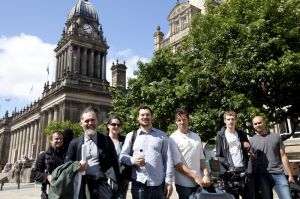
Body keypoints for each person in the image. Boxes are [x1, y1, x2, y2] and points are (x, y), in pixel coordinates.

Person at [65, 105, 121, 199]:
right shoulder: (74, 143)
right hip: (81, 184)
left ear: (97, 121)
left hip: (102, 185)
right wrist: (77, 165)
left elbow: (115, 163)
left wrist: (115, 184)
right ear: (81, 123)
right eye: (87, 121)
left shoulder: (106, 140)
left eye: (93, 120)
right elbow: (67, 164)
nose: (90, 123)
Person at [120, 105, 173, 199]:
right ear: (138, 118)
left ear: (152, 117)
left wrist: (168, 182)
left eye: (147, 115)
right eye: (142, 115)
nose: (145, 117)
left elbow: (168, 159)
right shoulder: (131, 135)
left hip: (158, 185)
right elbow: (122, 157)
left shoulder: (162, 135)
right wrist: (133, 160)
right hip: (139, 184)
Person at [169, 108, 211, 199]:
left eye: (184, 119)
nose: (182, 122)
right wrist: (195, 177)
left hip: (199, 182)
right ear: (176, 122)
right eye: (179, 120)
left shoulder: (196, 137)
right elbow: (177, 164)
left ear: (189, 120)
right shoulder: (172, 138)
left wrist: (206, 175)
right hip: (184, 184)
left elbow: (201, 159)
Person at [250, 116, 295, 199]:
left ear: (264, 122)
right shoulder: (252, 141)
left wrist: (290, 174)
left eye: (259, 123)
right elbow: (252, 161)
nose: (258, 125)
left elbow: (283, 156)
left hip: (278, 173)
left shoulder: (276, 137)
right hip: (262, 175)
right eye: (255, 124)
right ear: (253, 125)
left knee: (287, 197)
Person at [215, 111, 255, 199]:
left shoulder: (241, 134)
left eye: (233, 119)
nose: (230, 121)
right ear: (225, 121)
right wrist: (229, 167)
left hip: (243, 172)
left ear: (236, 120)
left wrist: (247, 146)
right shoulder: (220, 135)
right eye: (228, 119)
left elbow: (248, 150)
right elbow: (219, 155)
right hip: (230, 174)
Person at [34, 131, 65, 199]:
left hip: (65, 193)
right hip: (49, 194)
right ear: (51, 140)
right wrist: (47, 177)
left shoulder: (67, 155)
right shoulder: (43, 156)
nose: (59, 141)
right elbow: (36, 173)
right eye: (56, 139)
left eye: (61, 139)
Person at [105, 115, 128, 199]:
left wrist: (127, 177)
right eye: (113, 124)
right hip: (105, 180)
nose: (116, 126)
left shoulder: (125, 140)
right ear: (108, 125)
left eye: (118, 125)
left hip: (121, 180)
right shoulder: (102, 140)